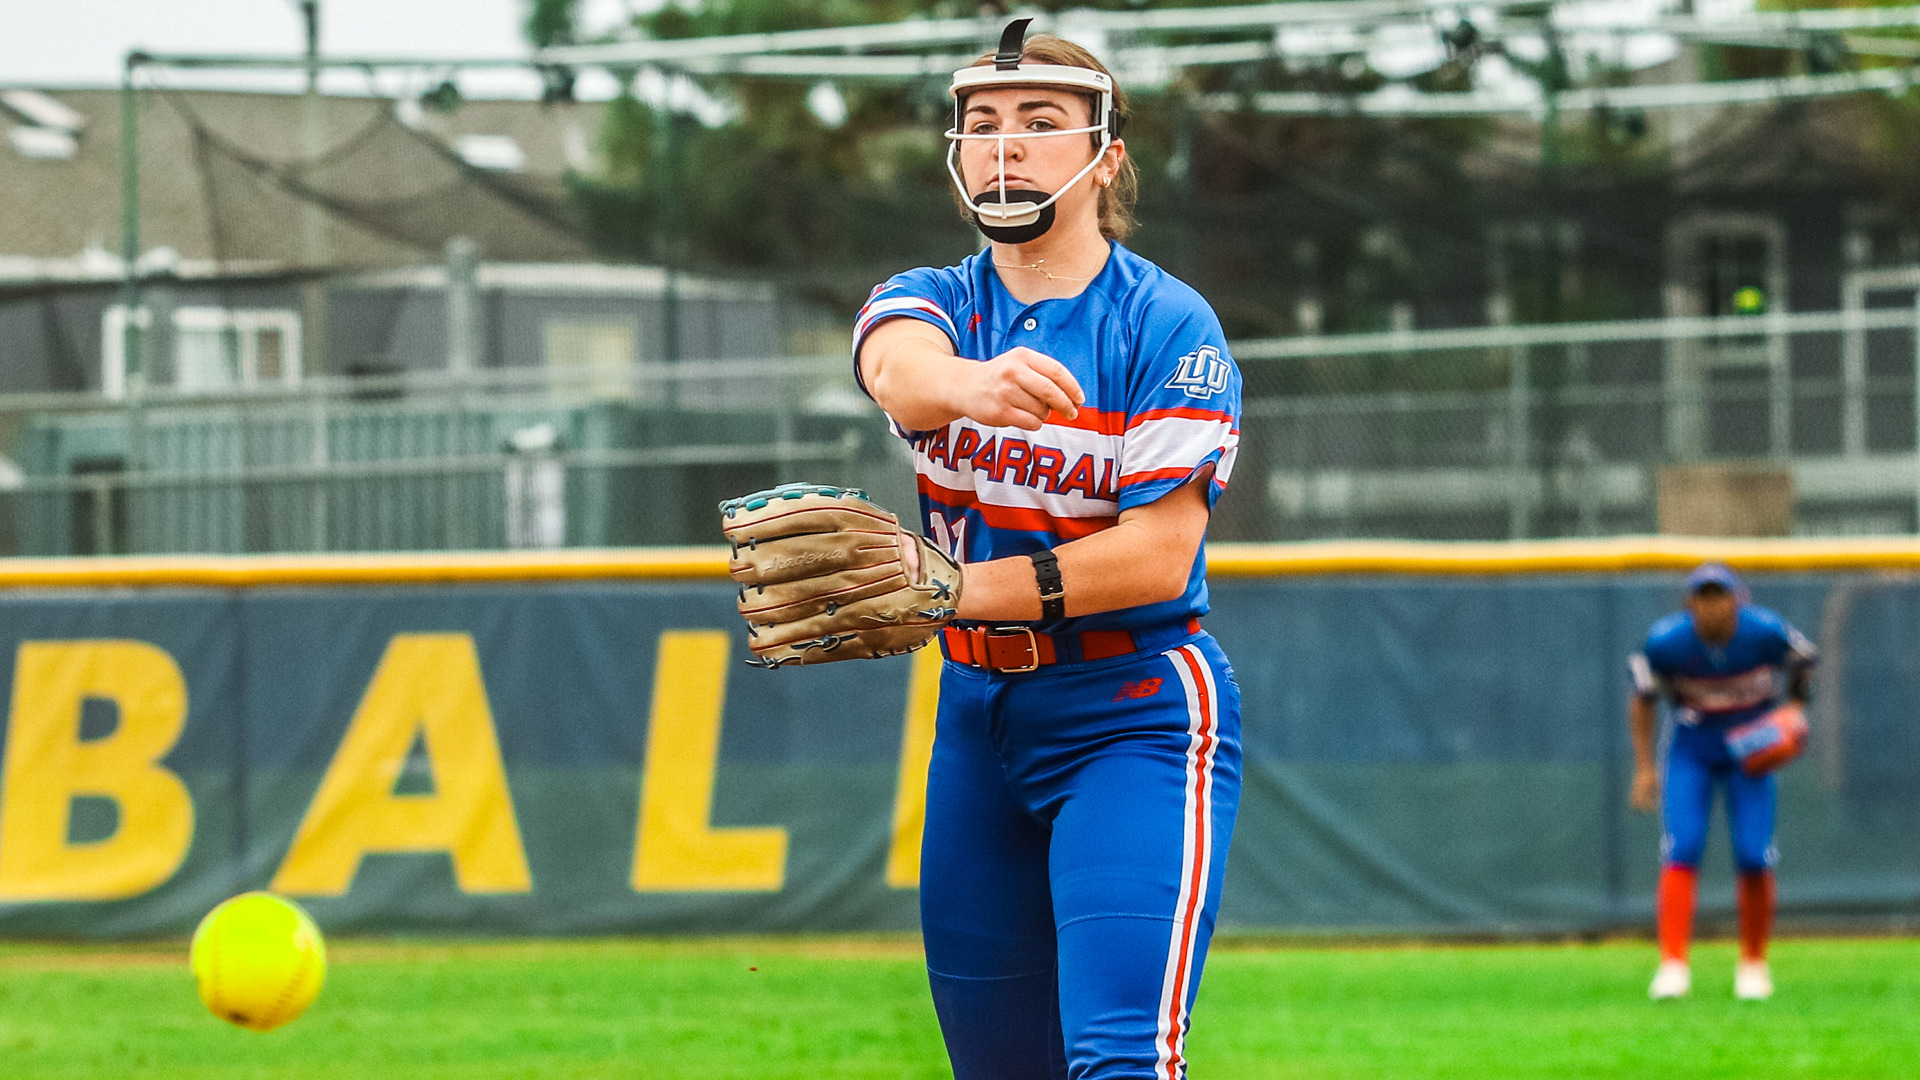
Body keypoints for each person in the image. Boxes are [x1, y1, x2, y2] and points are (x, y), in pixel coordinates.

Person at [852, 19, 1242, 1080]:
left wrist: (948, 588)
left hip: (1133, 713)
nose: (1005, 146)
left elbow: (1158, 558)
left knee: (1119, 1063)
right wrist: (970, 384)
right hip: (976, 721)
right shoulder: (933, 304)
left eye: (1038, 122)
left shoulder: (1168, 326)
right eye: (982, 125)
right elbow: (897, 369)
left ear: (1104, 153)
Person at [1628, 563, 1816, 1002]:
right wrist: (1644, 767)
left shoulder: (1764, 632)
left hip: (1750, 749)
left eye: (1721, 595)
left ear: (1738, 599)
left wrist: (1795, 707)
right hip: (1694, 746)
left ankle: (1753, 963)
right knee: (1682, 847)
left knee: (1753, 853)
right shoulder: (1667, 642)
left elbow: (1806, 658)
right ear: (1689, 603)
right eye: (1704, 596)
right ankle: (1673, 965)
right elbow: (1643, 699)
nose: (1713, 605)